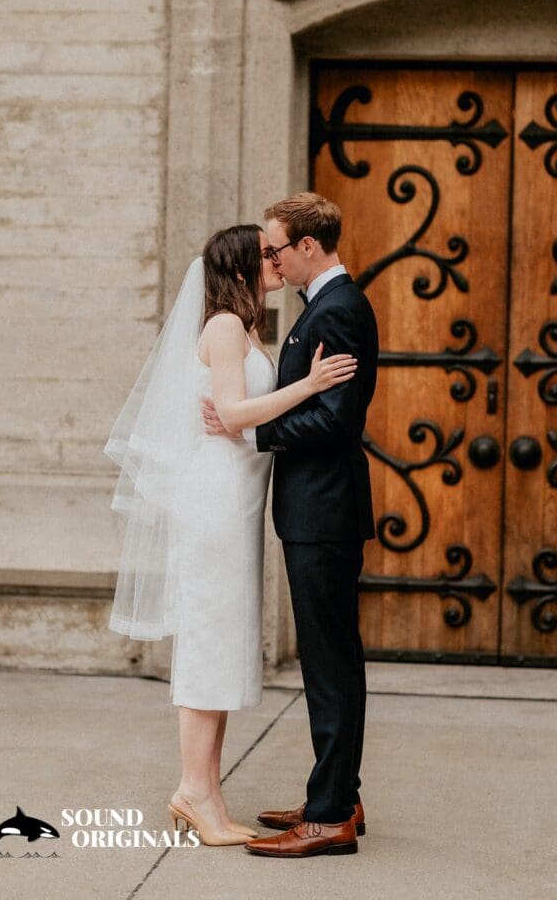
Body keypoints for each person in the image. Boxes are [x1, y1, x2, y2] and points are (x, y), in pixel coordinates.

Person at [103, 223, 357, 848]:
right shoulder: (222, 327)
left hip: (237, 500)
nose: (274, 262)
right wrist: (309, 385)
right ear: (242, 265)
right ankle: (193, 790)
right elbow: (234, 413)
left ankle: (207, 792)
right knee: (207, 636)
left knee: (221, 637)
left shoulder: (246, 329)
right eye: (264, 255)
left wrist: (269, 402)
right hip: (213, 502)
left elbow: (237, 416)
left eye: (277, 253)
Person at [203, 192, 379, 858]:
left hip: (324, 511)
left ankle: (331, 814)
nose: (269, 258)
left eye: (276, 247)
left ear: (309, 247)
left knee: (331, 664)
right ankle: (340, 794)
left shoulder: (339, 309)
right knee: (331, 658)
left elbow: (335, 418)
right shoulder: (326, 307)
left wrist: (251, 436)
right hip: (318, 509)